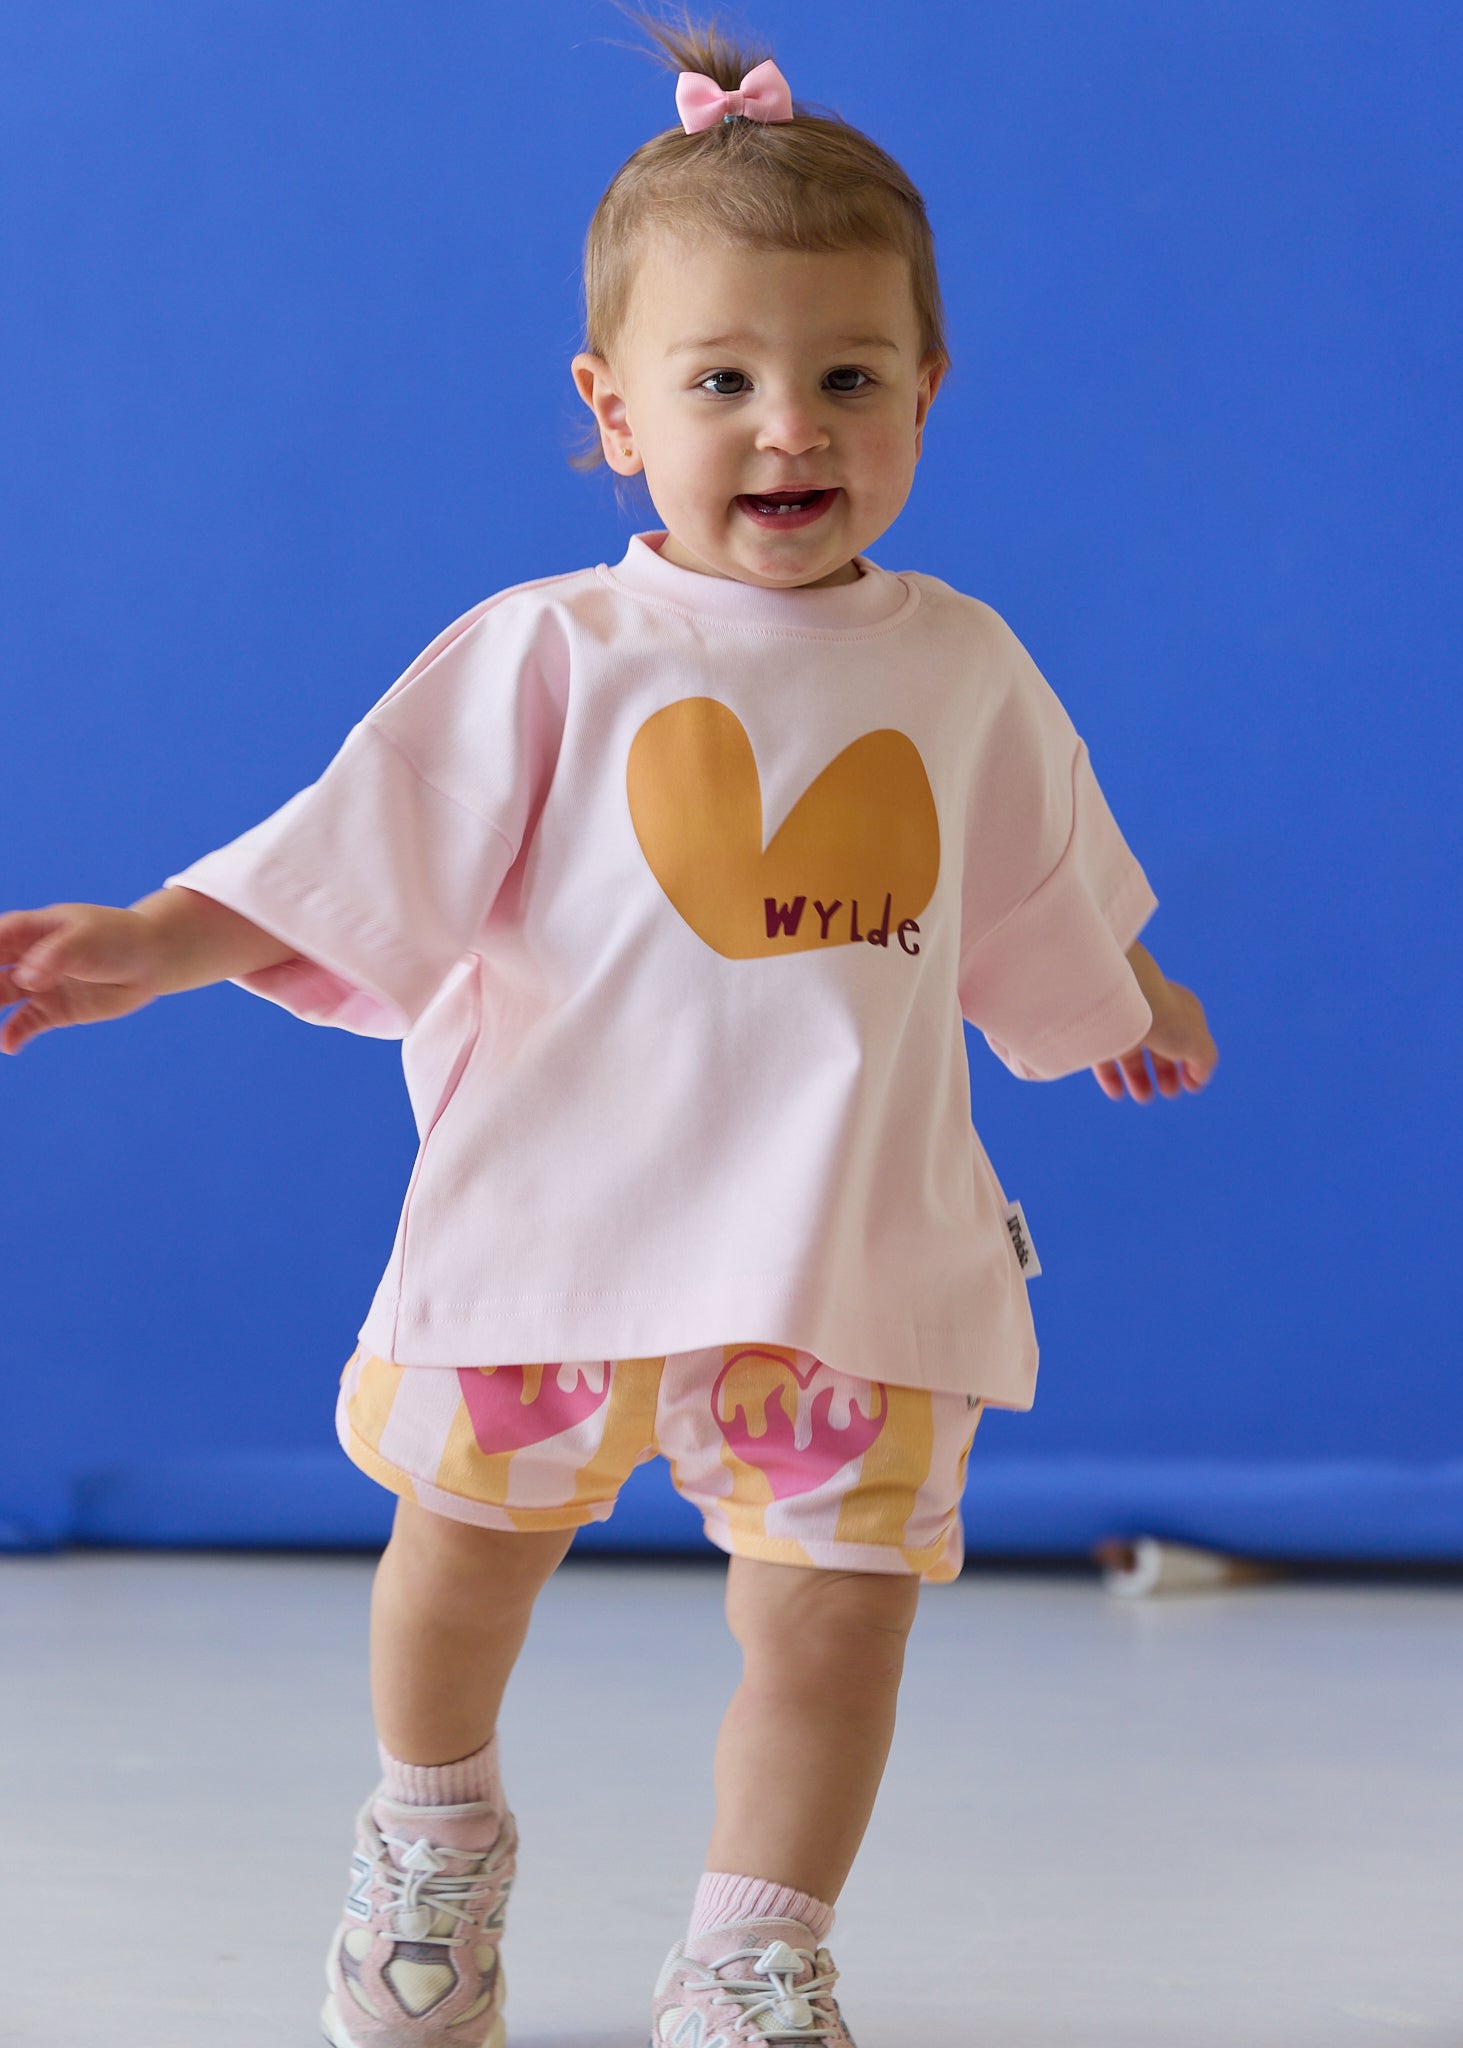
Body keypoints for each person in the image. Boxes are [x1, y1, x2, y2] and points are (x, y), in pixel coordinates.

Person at [0, 14, 1218, 2047]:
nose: (788, 428)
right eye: (722, 380)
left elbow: (1042, 890)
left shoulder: (966, 670)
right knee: (459, 1563)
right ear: (613, 407)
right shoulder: (550, 653)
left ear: (927, 390)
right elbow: (354, 849)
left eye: (848, 378)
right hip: (556, 1238)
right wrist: (148, 941)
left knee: (834, 1622)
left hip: (843, 1255)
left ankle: (752, 1953)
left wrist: (1128, 1002)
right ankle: (431, 1840)